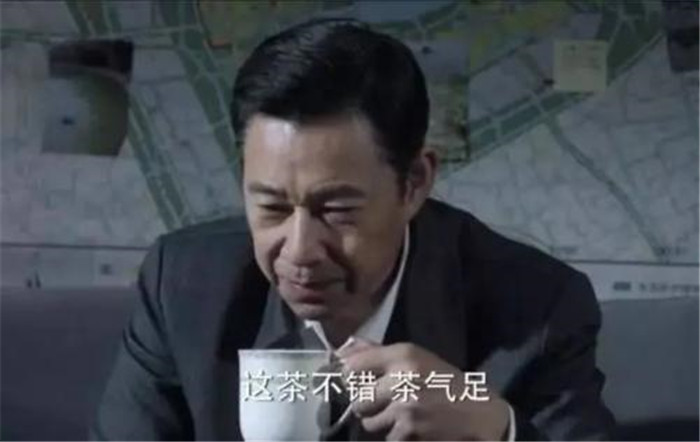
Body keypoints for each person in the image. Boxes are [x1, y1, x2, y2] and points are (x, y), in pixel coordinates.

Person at [93, 18, 615, 441]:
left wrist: (497, 428)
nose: (299, 251)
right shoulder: (183, 286)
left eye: (337, 210)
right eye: (272, 207)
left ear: (414, 182)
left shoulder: (537, 307)